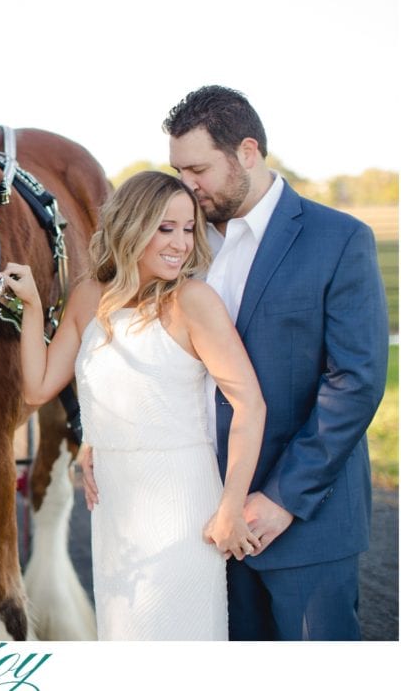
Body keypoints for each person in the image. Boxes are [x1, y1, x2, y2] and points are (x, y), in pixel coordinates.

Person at [162, 85, 389, 640]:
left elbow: (355, 382)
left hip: (306, 520)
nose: (186, 185)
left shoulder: (340, 239)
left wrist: (283, 498)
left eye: (197, 169)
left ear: (246, 152)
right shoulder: (178, 247)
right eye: (178, 171)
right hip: (204, 518)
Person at [1, 170, 265, 640]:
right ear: (132, 226)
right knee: (125, 636)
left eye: (189, 229)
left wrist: (230, 506)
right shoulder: (87, 297)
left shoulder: (194, 301)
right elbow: (37, 389)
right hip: (116, 505)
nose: (182, 243)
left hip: (183, 500)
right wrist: (33, 309)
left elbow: (249, 404)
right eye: (166, 228)